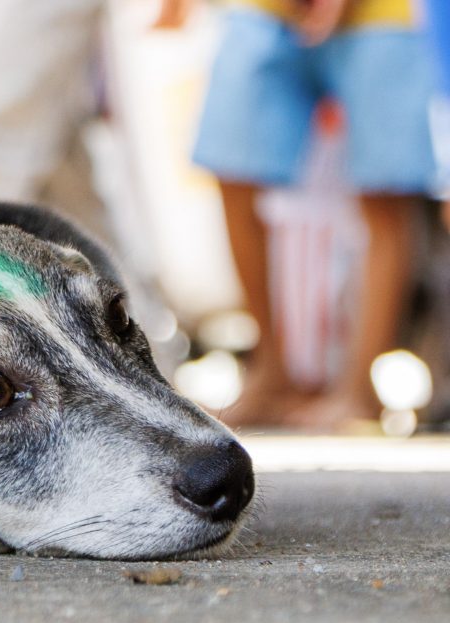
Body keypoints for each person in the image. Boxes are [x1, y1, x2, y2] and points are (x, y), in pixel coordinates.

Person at [160, 0, 438, 430]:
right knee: (231, 163)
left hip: (385, 13)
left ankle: (357, 391)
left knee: (383, 198)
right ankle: (273, 373)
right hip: (265, 9)